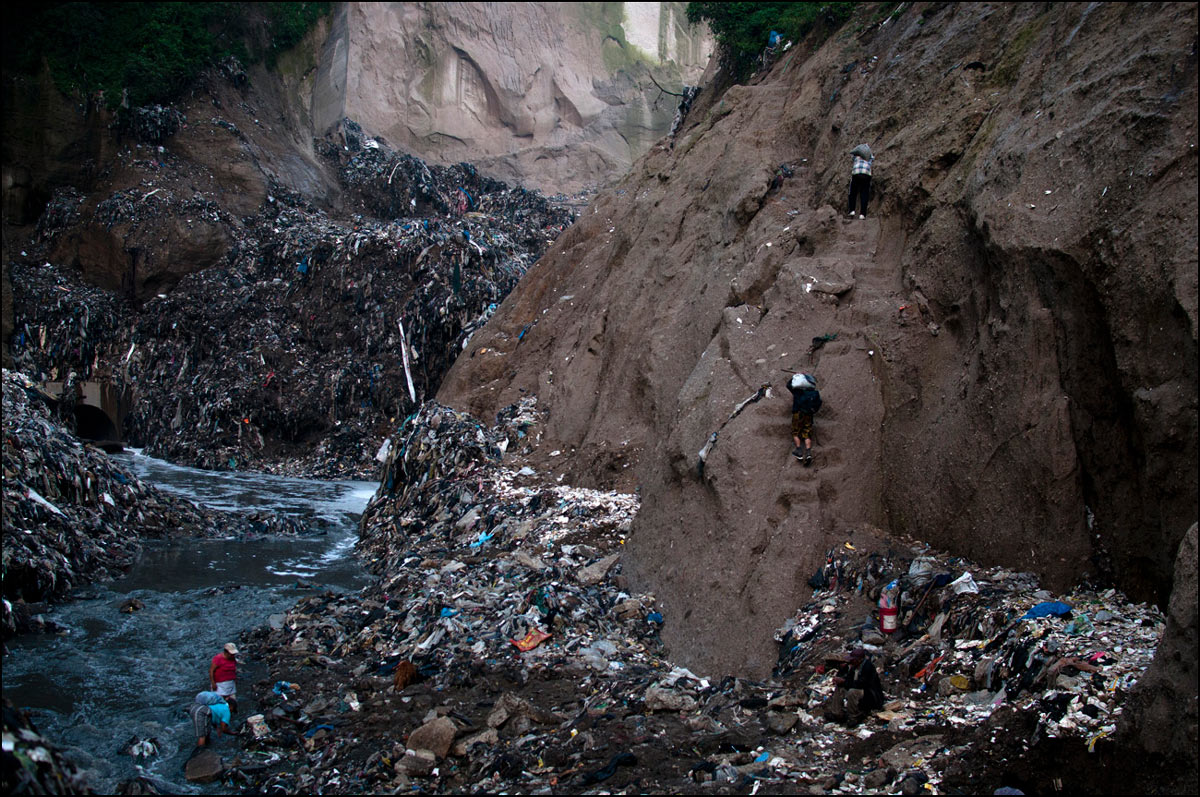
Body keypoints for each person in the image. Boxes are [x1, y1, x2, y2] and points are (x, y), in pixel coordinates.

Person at [787, 373, 822, 465]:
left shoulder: (798, 392)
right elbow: (818, 403)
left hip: (798, 413)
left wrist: (796, 377)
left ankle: (799, 450)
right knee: (807, 433)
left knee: (795, 432)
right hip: (809, 414)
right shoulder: (815, 393)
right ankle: (808, 453)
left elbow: (788, 385)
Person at [209, 643, 238, 714]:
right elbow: (211, 671)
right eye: (230, 654)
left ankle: (230, 714)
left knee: (232, 702)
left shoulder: (232, 658)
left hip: (230, 683)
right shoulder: (218, 659)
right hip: (220, 685)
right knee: (219, 702)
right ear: (226, 652)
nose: (232, 655)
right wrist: (213, 683)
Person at [848, 143, 873, 219]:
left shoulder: (856, 157)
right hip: (866, 174)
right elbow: (872, 159)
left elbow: (852, 157)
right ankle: (862, 214)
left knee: (853, 192)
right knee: (864, 193)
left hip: (856, 173)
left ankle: (852, 210)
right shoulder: (869, 157)